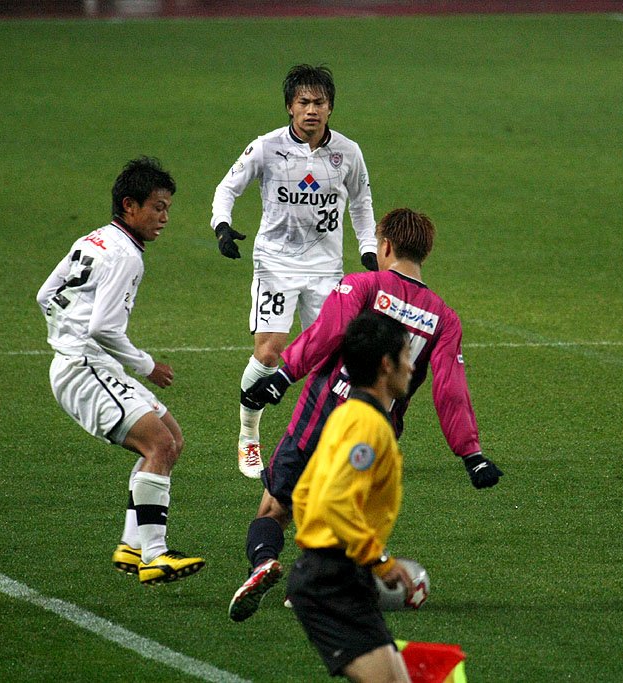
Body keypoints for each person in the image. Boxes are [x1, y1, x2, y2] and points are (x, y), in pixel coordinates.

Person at [227, 207, 502, 622]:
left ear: (385, 246)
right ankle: (319, 584)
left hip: (323, 411)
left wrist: (284, 375)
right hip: (374, 430)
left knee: (275, 507)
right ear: (424, 252)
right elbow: (450, 388)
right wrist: (471, 454)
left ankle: (264, 561)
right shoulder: (444, 318)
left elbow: (328, 333)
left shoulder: (363, 284)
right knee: (349, 513)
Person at [36, 156, 205, 586]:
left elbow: (45, 294)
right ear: (130, 205)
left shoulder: (92, 239)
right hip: (84, 368)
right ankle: (155, 555)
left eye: (167, 208)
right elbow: (103, 328)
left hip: (89, 363)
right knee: (159, 444)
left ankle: (132, 544)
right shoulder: (127, 256)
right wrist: (148, 366)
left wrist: (65, 331)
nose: (164, 218)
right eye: (158, 207)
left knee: (172, 439)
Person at [210, 63, 378, 479]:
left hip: (326, 269)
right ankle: (249, 435)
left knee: (333, 357)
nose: (311, 110)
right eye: (303, 102)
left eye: (319, 102)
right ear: (290, 106)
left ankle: (332, 441)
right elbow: (227, 188)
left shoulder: (348, 153)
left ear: (330, 107)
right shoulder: (266, 147)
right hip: (276, 264)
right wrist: (222, 226)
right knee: (270, 352)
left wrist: (369, 249)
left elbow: (361, 202)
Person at [286, 311, 415, 682]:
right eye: (406, 356)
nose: (411, 367)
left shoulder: (345, 415)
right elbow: (335, 501)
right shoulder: (367, 426)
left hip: (333, 573)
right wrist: (379, 559)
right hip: (333, 580)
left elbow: (305, 493)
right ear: (386, 364)